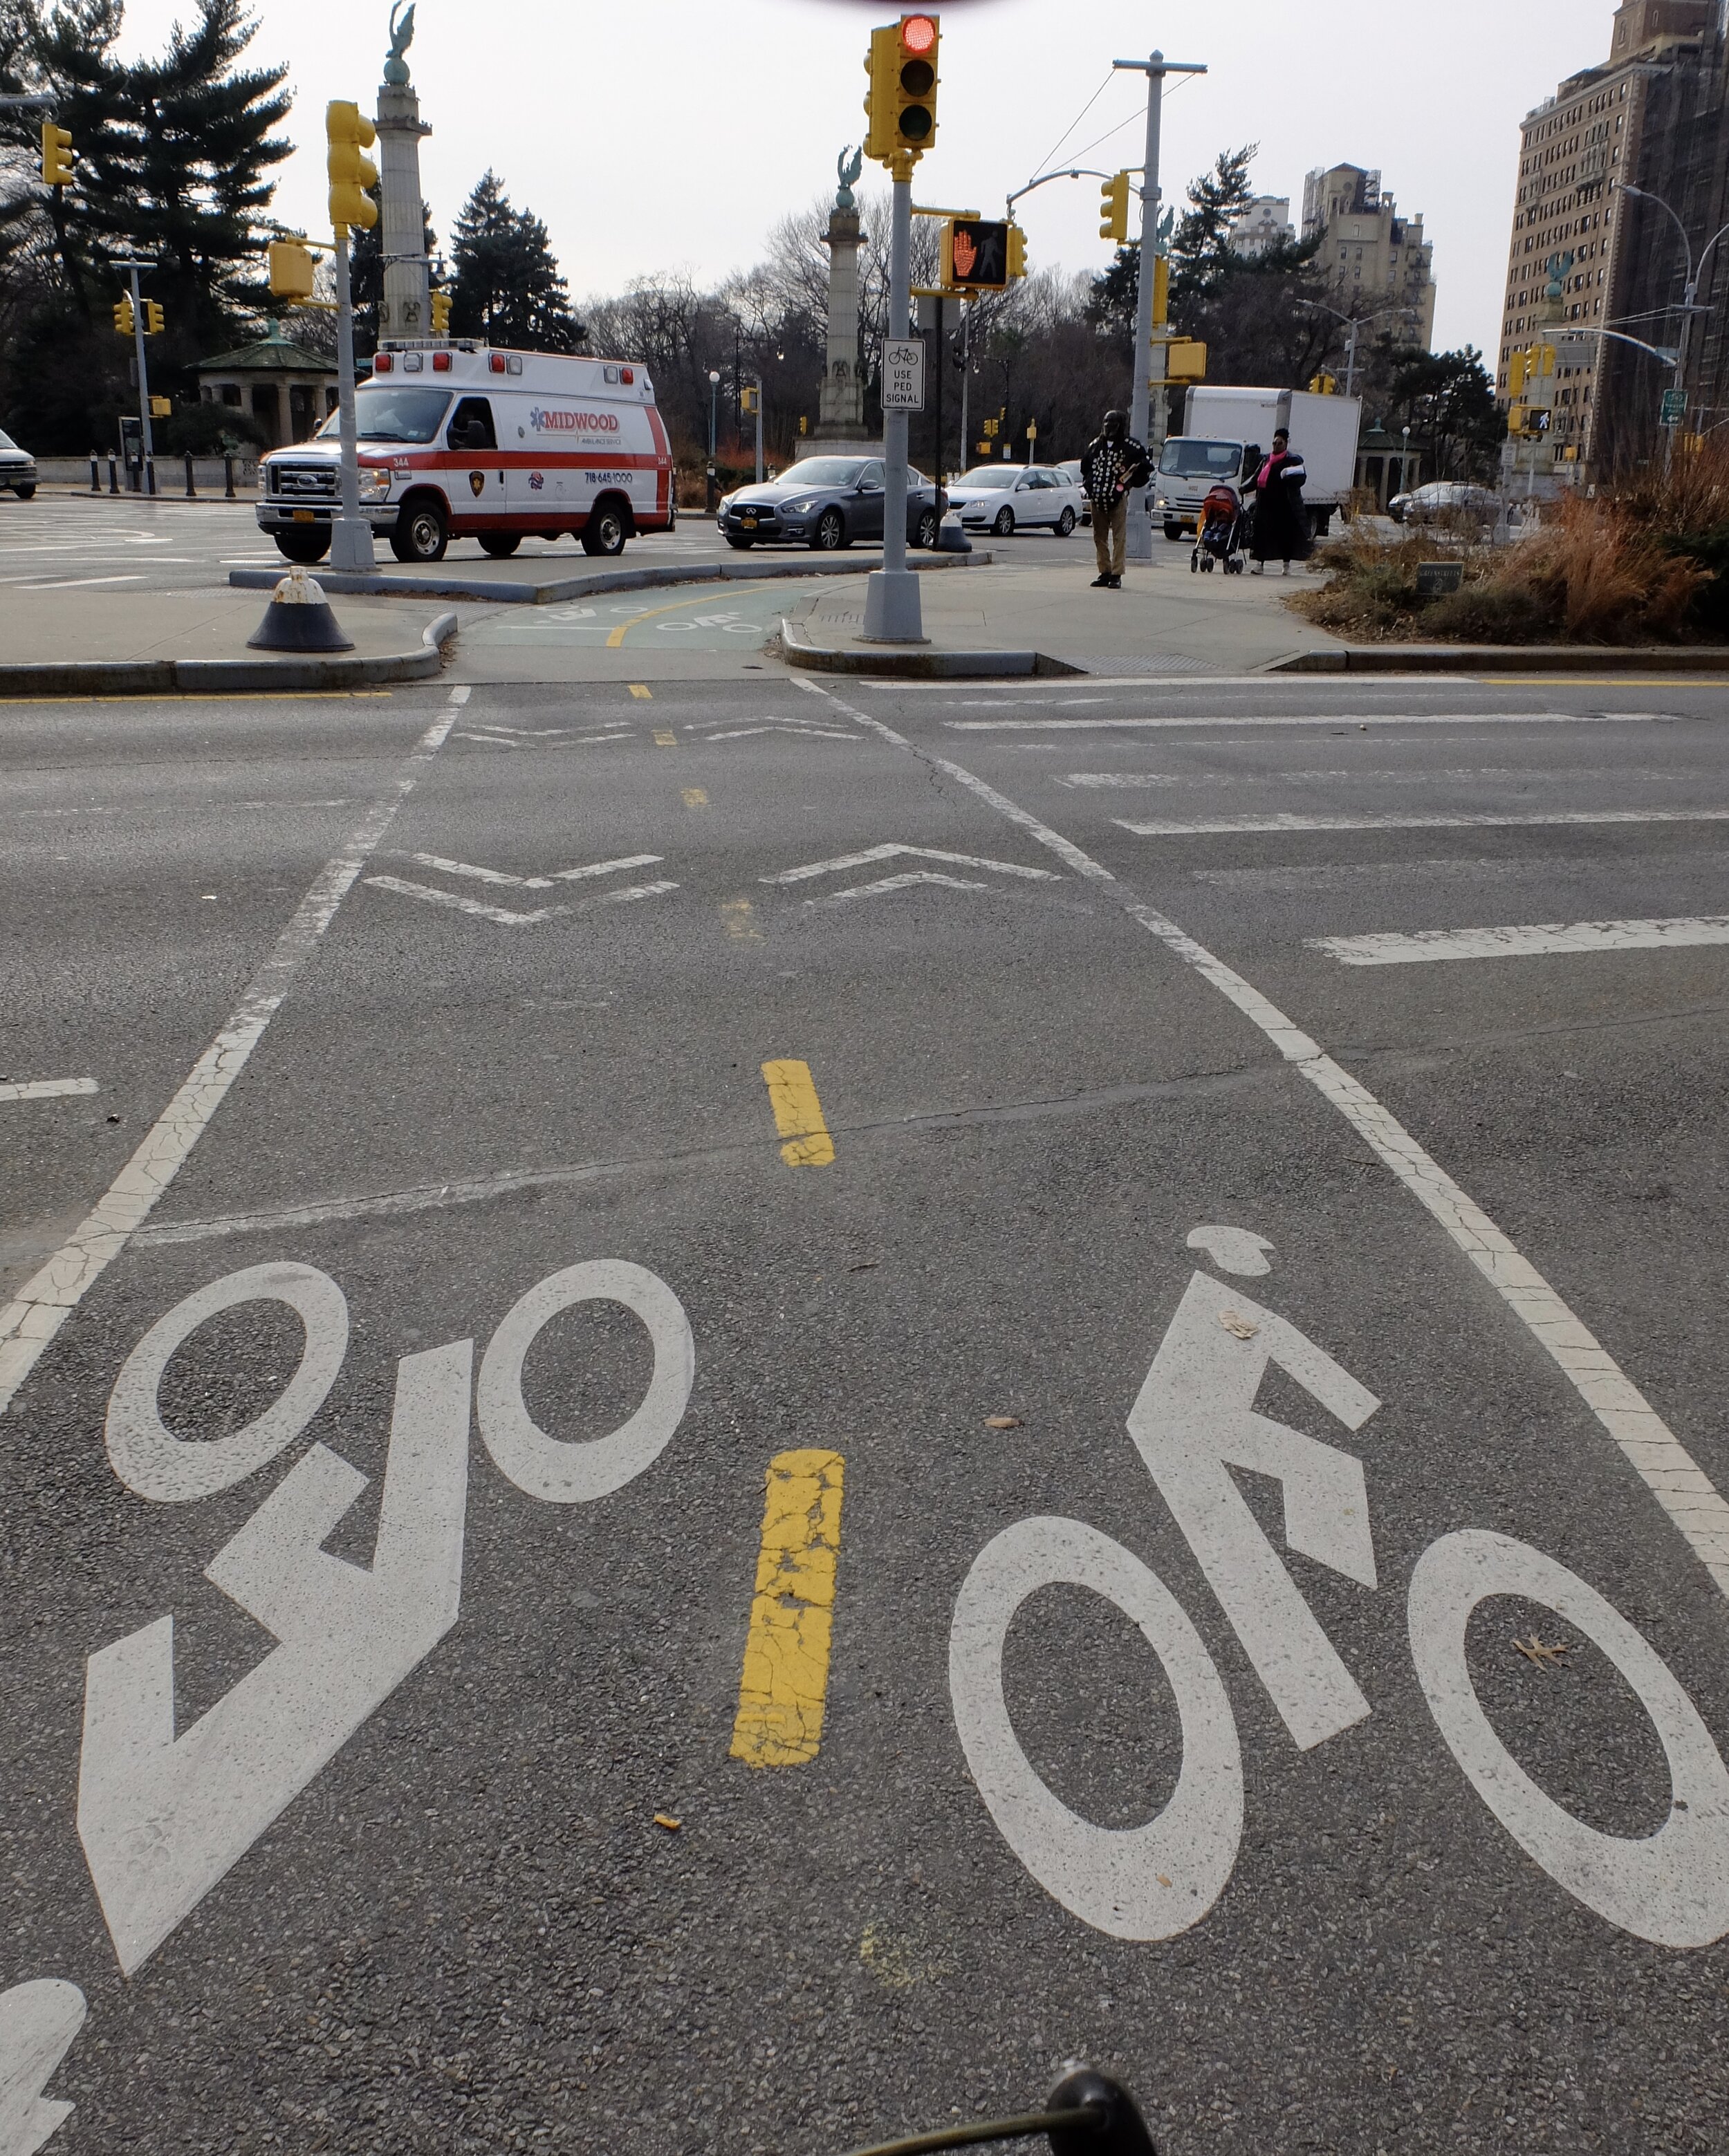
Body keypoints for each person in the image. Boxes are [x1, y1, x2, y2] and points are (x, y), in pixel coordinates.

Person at [1080, 409, 1151, 588]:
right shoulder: (1095, 445)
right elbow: (1085, 467)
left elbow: (1145, 466)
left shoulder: (1131, 447)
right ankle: (1105, 571)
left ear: (1120, 426)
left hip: (1118, 498)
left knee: (1119, 536)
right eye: (1106, 423)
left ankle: (1117, 574)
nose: (1108, 427)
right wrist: (1089, 484)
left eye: (1112, 424)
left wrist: (1128, 485)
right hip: (1097, 498)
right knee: (1099, 536)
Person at [1246, 429, 1309, 575]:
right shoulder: (1266, 460)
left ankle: (1286, 565)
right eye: (1274, 443)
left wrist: (1289, 475)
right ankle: (1259, 564)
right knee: (1261, 533)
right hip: (1265, 503)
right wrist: (1243, 489)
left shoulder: (1293, 460)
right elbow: (1257, 478)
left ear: (1286, 444)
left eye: (1279, 443)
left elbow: (1301, 479)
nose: (1276, 446)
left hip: (1285, 505)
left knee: (1285, 535)